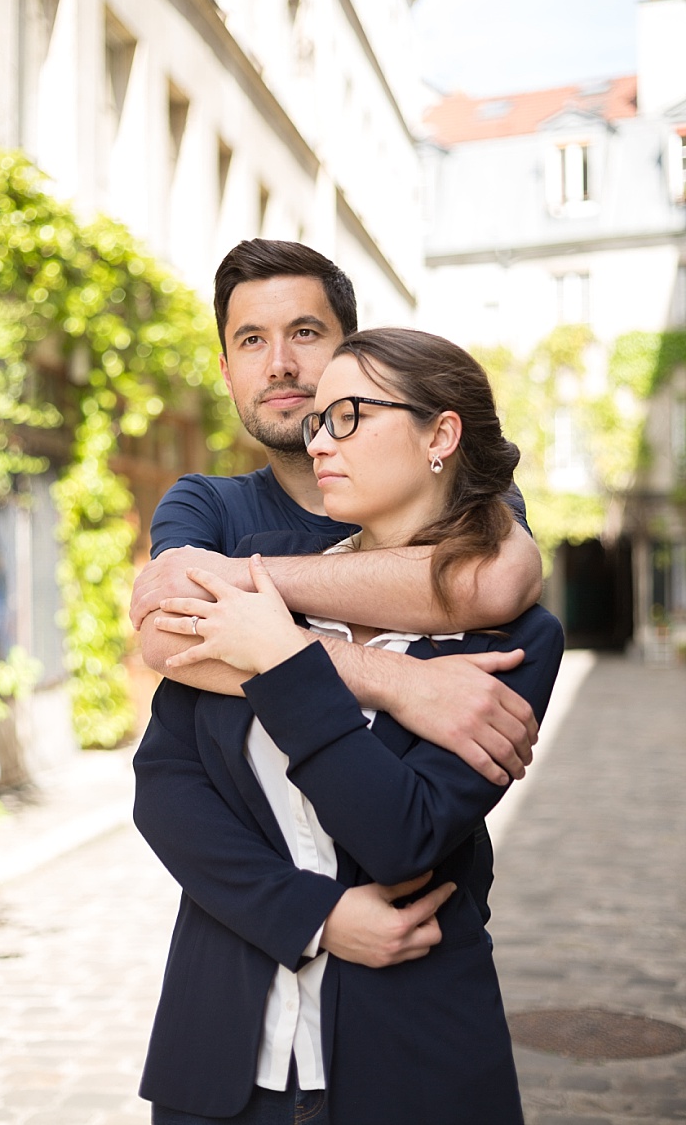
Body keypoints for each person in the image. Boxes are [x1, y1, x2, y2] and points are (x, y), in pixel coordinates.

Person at [129, 241, 551, 1123]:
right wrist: (392, 682)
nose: (284, 370)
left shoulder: (504, 621)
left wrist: (263, 626)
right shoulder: (210, 510)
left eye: (308, 335)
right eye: (250, 340)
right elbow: (165, 771)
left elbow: (495, 577)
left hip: (411, 1052)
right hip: (222, 1047)